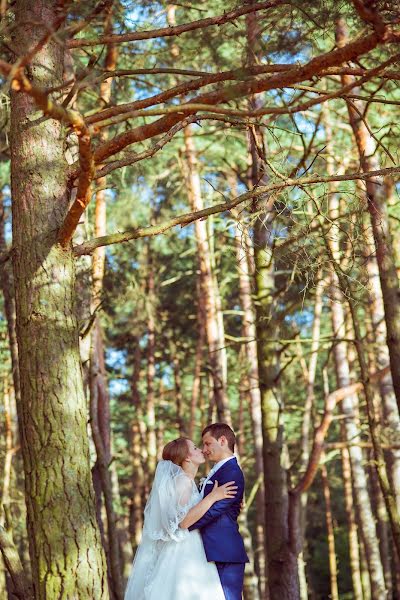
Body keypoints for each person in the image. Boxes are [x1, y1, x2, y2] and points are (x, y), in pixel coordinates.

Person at [124, 436, 237, 600]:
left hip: (192, 546)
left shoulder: (188, 482)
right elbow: (183, 521)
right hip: (185, 552)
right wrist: (213, 497)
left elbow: (197, 513)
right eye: (195, 448)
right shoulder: (182, 482)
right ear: (187, 457)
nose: (201, 450)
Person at [189, 423, 249, 600]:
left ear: (222, 441)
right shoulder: (217, 470)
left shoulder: (232, 472)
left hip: (224, 551)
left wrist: (184, 526)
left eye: (207, 444)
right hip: (210, 549)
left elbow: (214, 511)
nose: (204, 449)